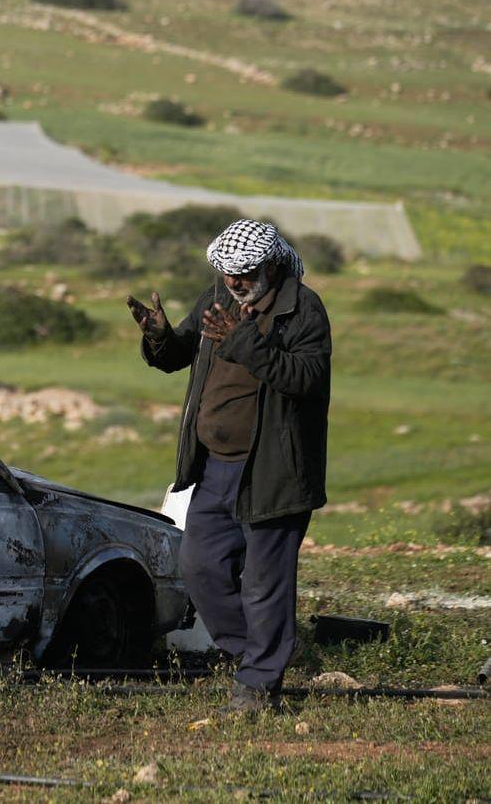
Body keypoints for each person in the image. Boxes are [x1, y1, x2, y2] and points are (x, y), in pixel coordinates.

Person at [127, 219, 331, 713]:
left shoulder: (302, 310)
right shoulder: (218, 296)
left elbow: (306, 378)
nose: (234, 282)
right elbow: (180, 354)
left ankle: (259, 686)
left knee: (265, 583)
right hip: (214, 468)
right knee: (200, 568)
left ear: (272, 265)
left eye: (244, 273)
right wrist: (159, 338)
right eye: (227, 273)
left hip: (274, 471)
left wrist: (246, 342)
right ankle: (257, 659)